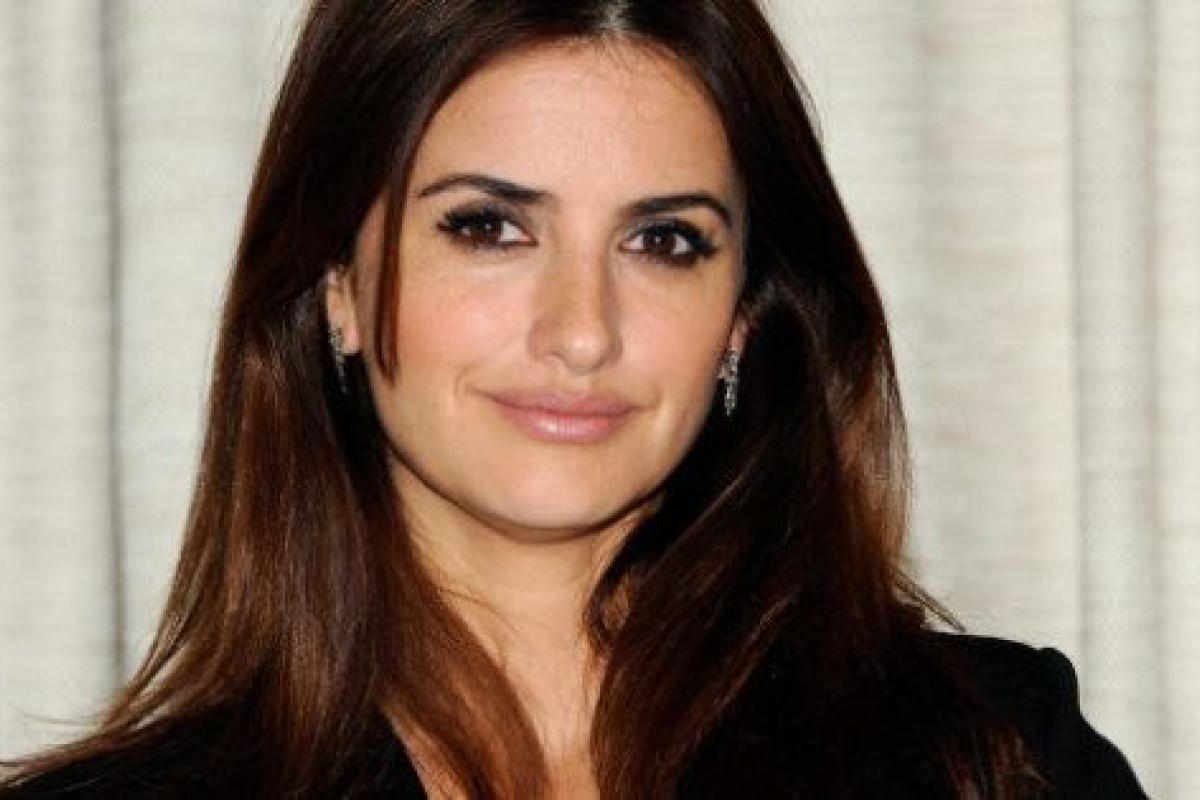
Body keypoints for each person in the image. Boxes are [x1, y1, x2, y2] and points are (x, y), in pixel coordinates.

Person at [0, 1, 1145, 797]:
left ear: (743, 317)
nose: (582, 330)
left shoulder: (996, 756)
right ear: (337, 280)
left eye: (664, 240)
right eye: (489, 227)